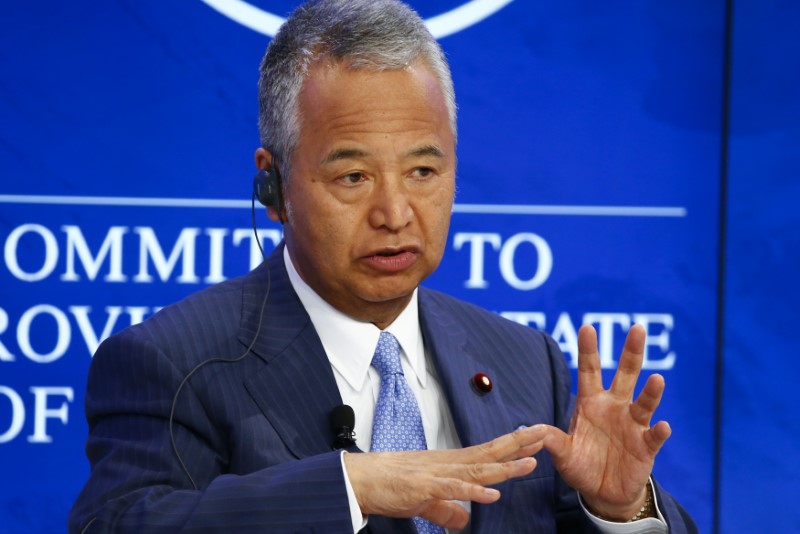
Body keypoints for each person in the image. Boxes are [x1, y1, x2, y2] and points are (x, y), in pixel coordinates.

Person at [69, 0, 697, 532]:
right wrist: (349, 487)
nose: (395, 212)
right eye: (353, 176)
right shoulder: (171, 363)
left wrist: (617, 508)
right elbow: (119, 521)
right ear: (275, 186)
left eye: (424, 171)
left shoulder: (529, 365)